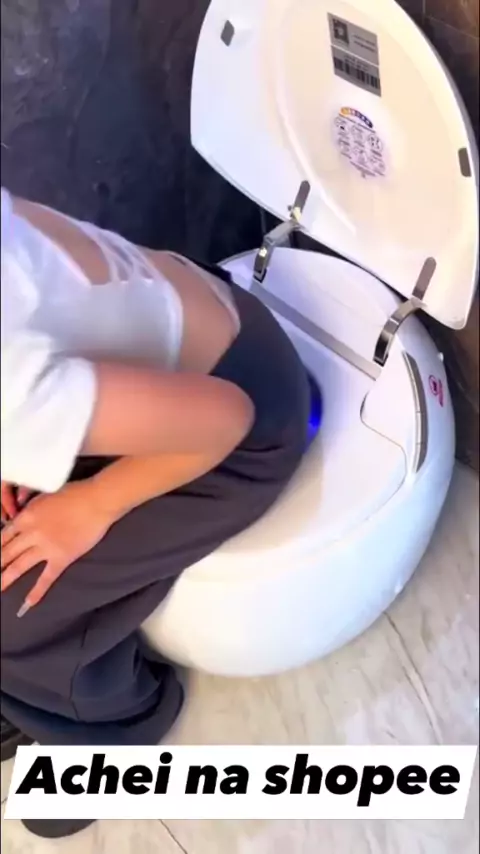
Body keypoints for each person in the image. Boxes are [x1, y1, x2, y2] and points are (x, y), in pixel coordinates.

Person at [0, 187, 311, 838]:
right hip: (189, 341)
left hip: (239, 431)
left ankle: (113, 725)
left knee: (14, 610)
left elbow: (227, 419)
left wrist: (90, 504)